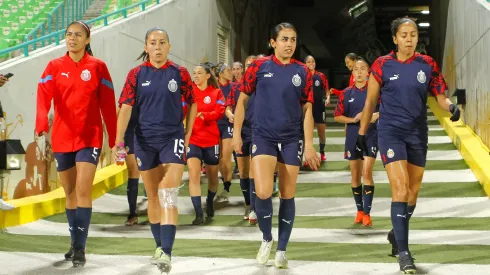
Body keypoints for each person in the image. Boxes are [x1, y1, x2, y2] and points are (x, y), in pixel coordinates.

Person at [357, 17, 460, 274]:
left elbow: (440, 96)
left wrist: (452, 108)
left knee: (412, 193)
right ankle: (404, 252)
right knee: (400, 189)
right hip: (391, 133)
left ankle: (396, 233)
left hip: (417, 134)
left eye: (413, 34)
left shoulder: (427, 64)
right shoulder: (381, 65)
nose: (409, 39)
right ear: (395, 38)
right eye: (404, 34)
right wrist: (362, 133)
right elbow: (370, 103)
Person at [232, 22, 320, 269]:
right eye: (284, 39)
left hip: (292, 139)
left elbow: (307, 109)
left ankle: (282, 249)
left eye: (293, 40)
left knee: (287, 194)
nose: (289, 44)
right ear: (273, 42)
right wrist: (237, 133)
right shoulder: (259, 67)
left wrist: (310, 144)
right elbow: (241, 102)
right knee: (262, 192)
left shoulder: (303, 71)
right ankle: (267, 238)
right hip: (263, 136)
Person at [114, 27, 196, 274]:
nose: (158, 47)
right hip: (144, 141)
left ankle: (167, 252)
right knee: (152, 195)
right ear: (146, 47)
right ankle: (160, 247)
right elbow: (126, 108)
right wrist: (119, 142)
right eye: (153, 43)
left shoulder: (179, 73)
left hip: (172, 138)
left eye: (162, 42)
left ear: (169, 46)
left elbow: (192, 102)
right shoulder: (136, 74)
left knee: (167, 192)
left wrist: (188, 132)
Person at [35, 21, 117, 267]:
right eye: (69, 34)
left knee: (82, 190)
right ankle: (74, 242)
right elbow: (42, 94)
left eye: (78, 35)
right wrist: (41, 124)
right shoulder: (54, 66)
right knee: (69, 192)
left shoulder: (98, 67)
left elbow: (108, 103)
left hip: (89, 136)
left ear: (87, 40)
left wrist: (113, 138)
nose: (72, 38)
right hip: (61, 137)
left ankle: (81, 248)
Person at [334, 58, 377, 227]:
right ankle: (359, 210)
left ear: (368, 72)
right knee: (355, 176)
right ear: (352, 73)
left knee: (367, 172)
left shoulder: (374, 92)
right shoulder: (346, 93)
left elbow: (384, 109)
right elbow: (337, 115)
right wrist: (353, 119)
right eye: (356, 69)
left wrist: (374, 116)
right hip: (352, 136)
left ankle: (367, 213)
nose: (359, 72)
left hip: (371, 135)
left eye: (363, 69)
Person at [187, 63, 225, 225]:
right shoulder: (189, 92)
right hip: (193, 140)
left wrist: (205, 115)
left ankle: (209, 201)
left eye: (199, 73)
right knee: (193, 175)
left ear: (208, 76)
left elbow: (220, 111)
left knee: (212, 177)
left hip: (211, 140)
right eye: (194, 73)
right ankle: (198, 214)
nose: (195, 75)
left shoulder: (216, 92)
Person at [214, 62, 235, 203]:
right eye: (228, 70)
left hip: (228, 124)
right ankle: (224, 182)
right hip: (216, 124)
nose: (231, 72)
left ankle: (227, 187)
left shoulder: (233, 87)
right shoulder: (214, 88)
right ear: (220, 74)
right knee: (220, 159)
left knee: (227, 156)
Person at [117, 104, 140, 226]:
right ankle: (132, 213)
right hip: (131, 134)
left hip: (151, 132)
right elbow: (119, 113)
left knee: (151, 171)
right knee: (133, 172)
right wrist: (119, 146)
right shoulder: (128, 90)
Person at [304, 55, 330, 163]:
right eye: (308, 62)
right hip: (307, 108)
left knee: (321, 131)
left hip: (319, 107)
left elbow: (327, 90)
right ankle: (307, 155)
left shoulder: (321, 76)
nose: (311, 63)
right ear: (305, 64)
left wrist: (328, 98)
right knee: (306, 133)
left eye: (313, 61)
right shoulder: (303, 76)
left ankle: (322, 151)